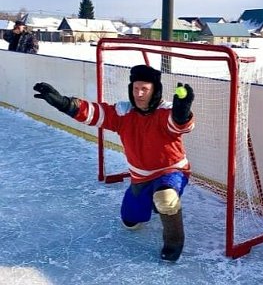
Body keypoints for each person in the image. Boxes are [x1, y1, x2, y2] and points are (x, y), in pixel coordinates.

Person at [33, 64, 195, 262]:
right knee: (130, 222)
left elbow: (180, 125)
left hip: (171, 170)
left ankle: (173, 244)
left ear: (155, 90)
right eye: (136, 88)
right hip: (140, 177)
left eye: (145, 89)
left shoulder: (166, 111)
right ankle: (150, 201)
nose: (139, 93)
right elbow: (95, 113)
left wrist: (182, 113)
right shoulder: (123, 112)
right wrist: (64, 104)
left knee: (166, 199)